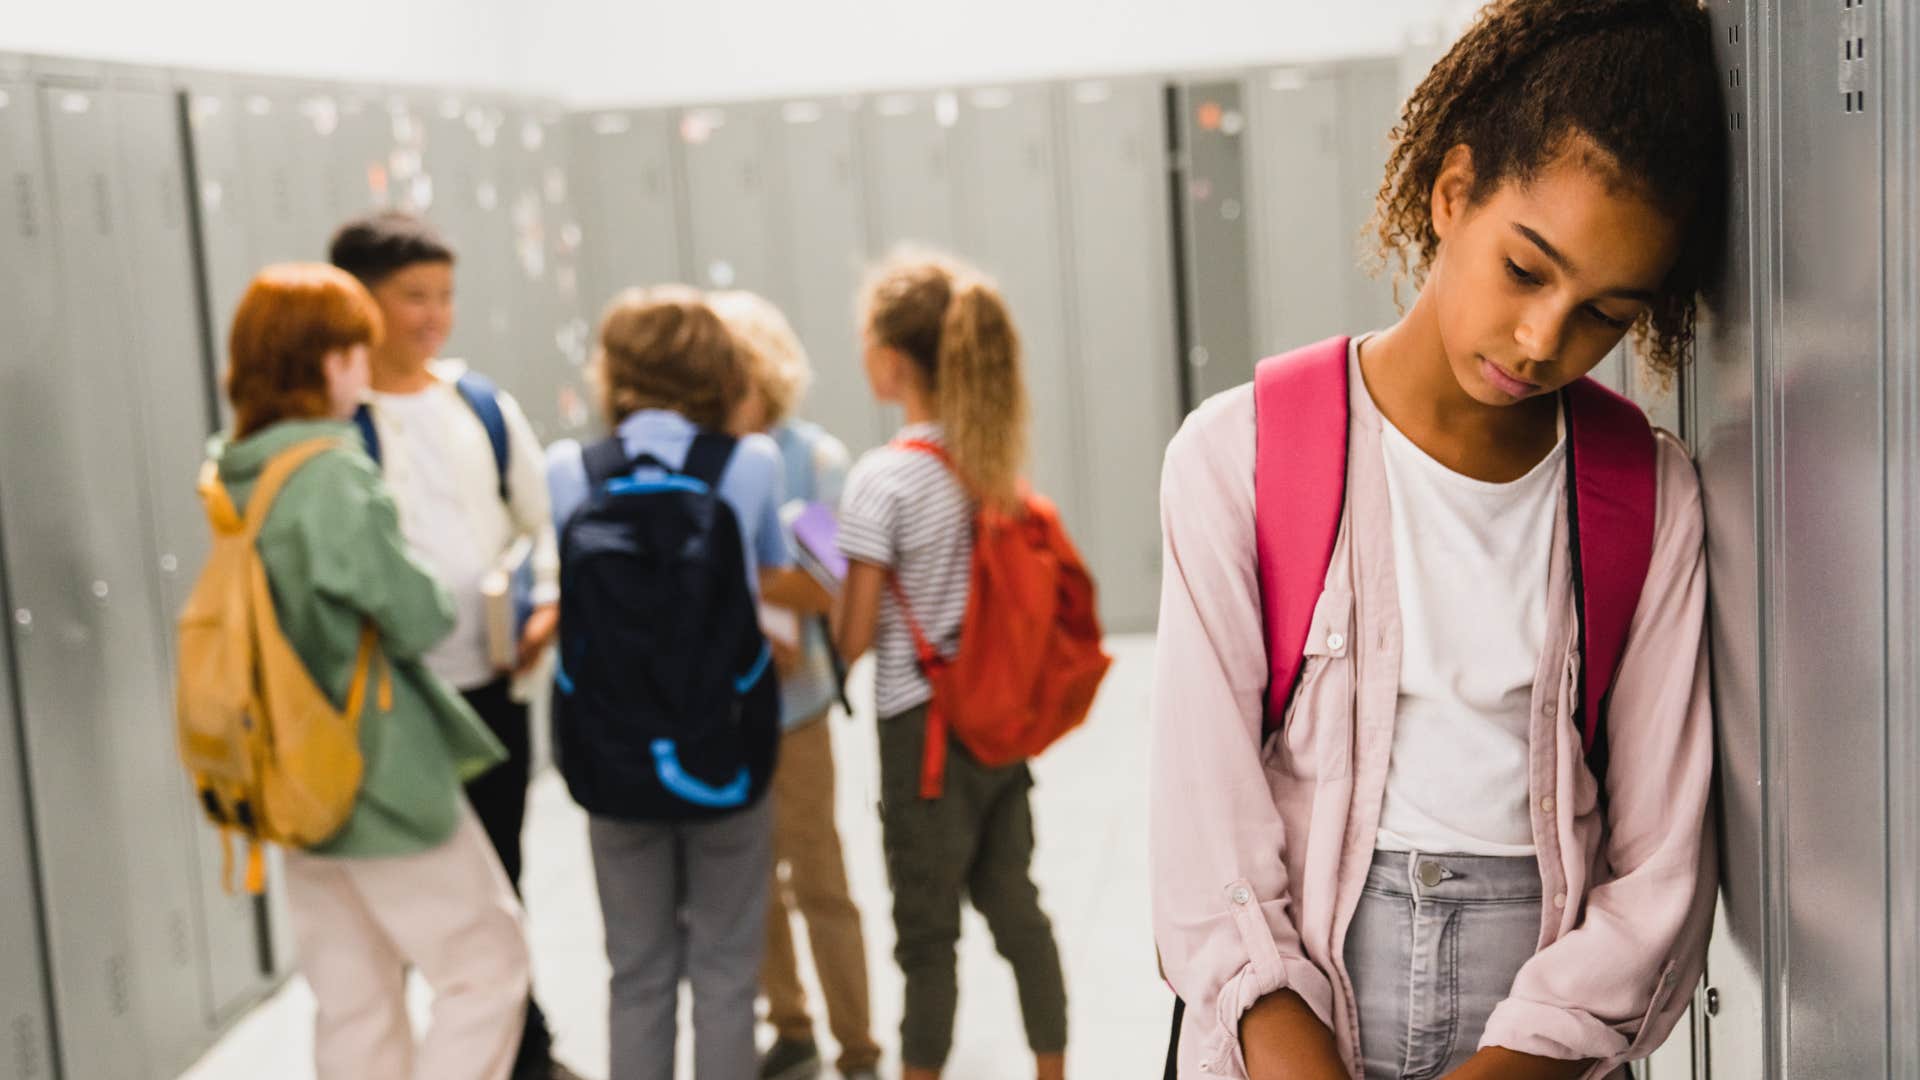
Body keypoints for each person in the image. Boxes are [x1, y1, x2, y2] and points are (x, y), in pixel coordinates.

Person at [1149, 2, 1727, 1077]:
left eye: (1604, 313)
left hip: (1537, 1038)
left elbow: (1658, 881)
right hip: (1289, 1016)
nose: (1544, 339)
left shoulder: (1652, 498)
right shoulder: (1239, 456)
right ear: (1452, 191)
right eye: (1525, 268)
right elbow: (1206, 838)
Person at [209, 263, 529, 1080]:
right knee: (486, 965)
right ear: (324, 360)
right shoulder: (332, 473)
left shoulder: (240, 469)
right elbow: (418, 613)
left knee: (354, 998)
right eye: (355, 348)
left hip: (291, 765)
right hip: (377, 765)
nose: (367, 364)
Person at [327, 212, 570, 1080]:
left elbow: (539, 526)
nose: (434, 316)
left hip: (491, 687)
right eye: (413, 298)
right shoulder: (337, 424)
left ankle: (524, 1052)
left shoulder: (478, 405)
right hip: (391, 707)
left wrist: (544, 611)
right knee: (399, 899)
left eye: (445, 296)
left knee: (502, 880)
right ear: (359, 302)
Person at [833, 254, 1069, 1080]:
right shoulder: (990, 463)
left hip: (923, 737)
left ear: (895, 360)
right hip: (998, 731)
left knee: (927, 940)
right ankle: (1053, 1070)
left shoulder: (884, 479)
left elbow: (853, 636)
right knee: (1018, 911)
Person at [546, 286, 792, 1080]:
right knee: (726, 972)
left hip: (611, 752)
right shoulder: (750, 462)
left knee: (637, 974)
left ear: (614, 370)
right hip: (724, 743)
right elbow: (771, 590)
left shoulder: (570, 472)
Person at [711, 290, 882, 1080]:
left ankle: (857, 1045)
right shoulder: (698, 459)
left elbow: (830, 586)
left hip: (797, 706)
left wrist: (736, 573)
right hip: (719, 704)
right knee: (748, 885)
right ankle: (792, 1025)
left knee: (819, 876)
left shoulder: (812, 458)